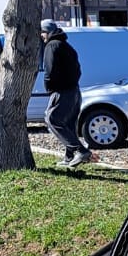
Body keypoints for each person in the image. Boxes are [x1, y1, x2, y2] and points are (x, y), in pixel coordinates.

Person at [41, 20, 90, 168]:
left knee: (52, 119)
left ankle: (80, 151)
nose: (41, 36)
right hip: (75, 91)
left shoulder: (51, 45)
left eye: (42, 32)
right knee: (68, 125)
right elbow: (78, 69)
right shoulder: (67, 46)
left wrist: (49, 87)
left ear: (48, 32)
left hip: (62, 91)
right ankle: (69, 158)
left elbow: (49, 70)